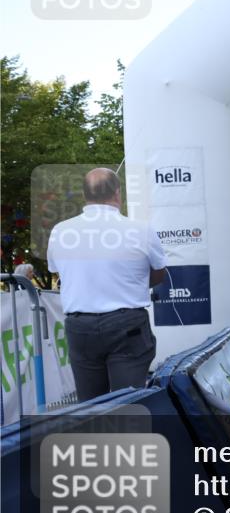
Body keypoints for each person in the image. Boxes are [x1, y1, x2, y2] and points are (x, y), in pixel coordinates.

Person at [47, 168, 166, 402]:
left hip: (81, 327)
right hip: (127, 325)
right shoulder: (141, 229)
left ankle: (96, 437)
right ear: (118, 193)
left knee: (90, 405)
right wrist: (133, 283)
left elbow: (60, 271)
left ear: (85, 195)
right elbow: (159, 273)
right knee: (129, 403)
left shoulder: (60, 231)